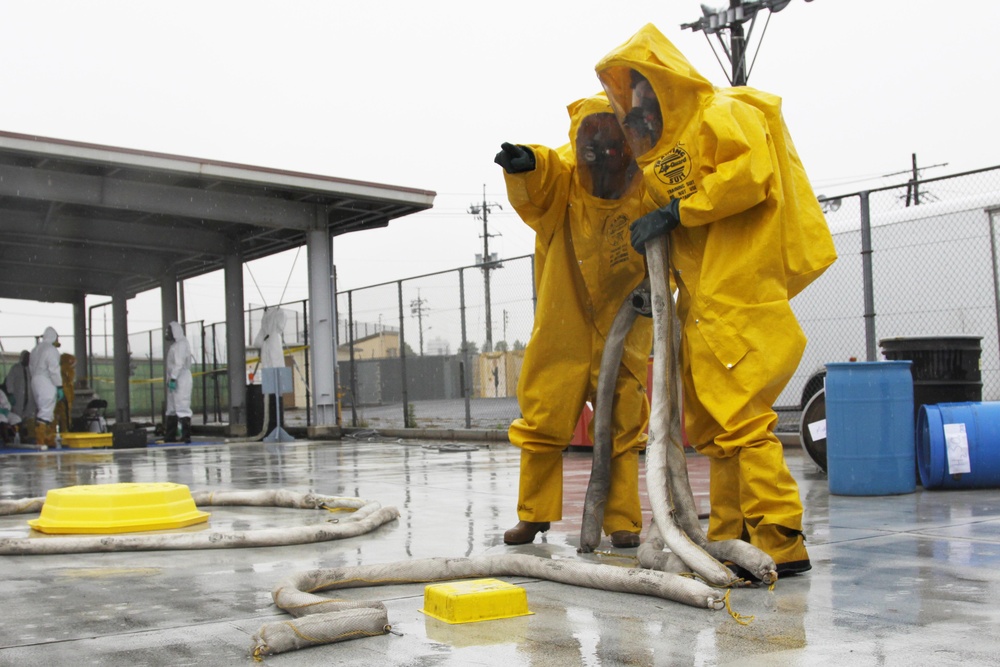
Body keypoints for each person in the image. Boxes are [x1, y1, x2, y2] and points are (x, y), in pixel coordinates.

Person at [596, 24, 837, 575]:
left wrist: (676, 213)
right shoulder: (665, 161)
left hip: (740, 297)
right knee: (713, 428)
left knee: (743, 422)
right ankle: (729, 531)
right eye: (630, 106)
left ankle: (780, 535)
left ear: (666, 84)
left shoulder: (720, 113)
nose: (638, 115)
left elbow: (749, 174)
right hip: (702, 305)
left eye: (643, 98)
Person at [495, 93, 654, 548]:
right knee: (544, 417)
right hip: (563, 322)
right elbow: (542, 178)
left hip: (625, 323)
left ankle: (622, 520)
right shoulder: (563, 183)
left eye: (612, 142)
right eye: (594, 142)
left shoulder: (645, 187)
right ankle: (535, 514)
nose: (603, 153)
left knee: (622, 424)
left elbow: (673, 242)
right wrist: (524, 165)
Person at [28, 326, 63, 447]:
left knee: (42, 408)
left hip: (35, 380)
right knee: (46, 410)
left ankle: (46, 437)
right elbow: (54, 369)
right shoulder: (51, 350)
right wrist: (59, 385)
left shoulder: (35, 349)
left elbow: (31, 367)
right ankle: (42, 438)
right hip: (45, 381)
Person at [164, 321, 194, 443]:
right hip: (175, 379)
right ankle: (170, 436)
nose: (167, 334)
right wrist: (170, 379)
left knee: (182, 406)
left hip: (182, 380)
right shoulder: (175, 345)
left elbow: (179, 364)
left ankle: (186, 435)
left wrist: (173, 378)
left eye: (169, 331)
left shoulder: (181, 344)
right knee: (171, 408)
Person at [4, 350, 36, 442]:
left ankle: (28, 437)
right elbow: (9, 381)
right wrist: (10, 393)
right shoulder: (15, 368)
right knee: (17, 418)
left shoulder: (31, 369)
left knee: (29, 418)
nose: (28, 359)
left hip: (30, 398)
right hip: (17, 397)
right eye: (26, 357)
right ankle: (14, 437)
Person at [53, 352, 76, 435]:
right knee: (64, 419)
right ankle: (64, 434)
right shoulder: (66, 371)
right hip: (64, 399)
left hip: (61, 398)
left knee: (55, 417)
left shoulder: (57, 370)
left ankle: (53, 434)